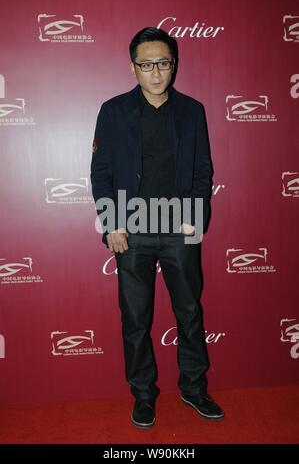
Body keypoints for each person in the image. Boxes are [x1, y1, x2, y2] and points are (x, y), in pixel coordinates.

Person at [90, 27, 224, 429]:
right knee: (135, 319)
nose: (155, 72)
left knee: (189, 314)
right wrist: (112, 222)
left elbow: (203, 172)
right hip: (131, 231)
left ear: (173, 65)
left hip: (180, 230)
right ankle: (144, 395)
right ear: (133, 68)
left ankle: (194, 388)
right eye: (146, 64)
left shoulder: (192, 110)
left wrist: (194, 219)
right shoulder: (113, 111)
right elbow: (101, 172)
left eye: (162, 63)